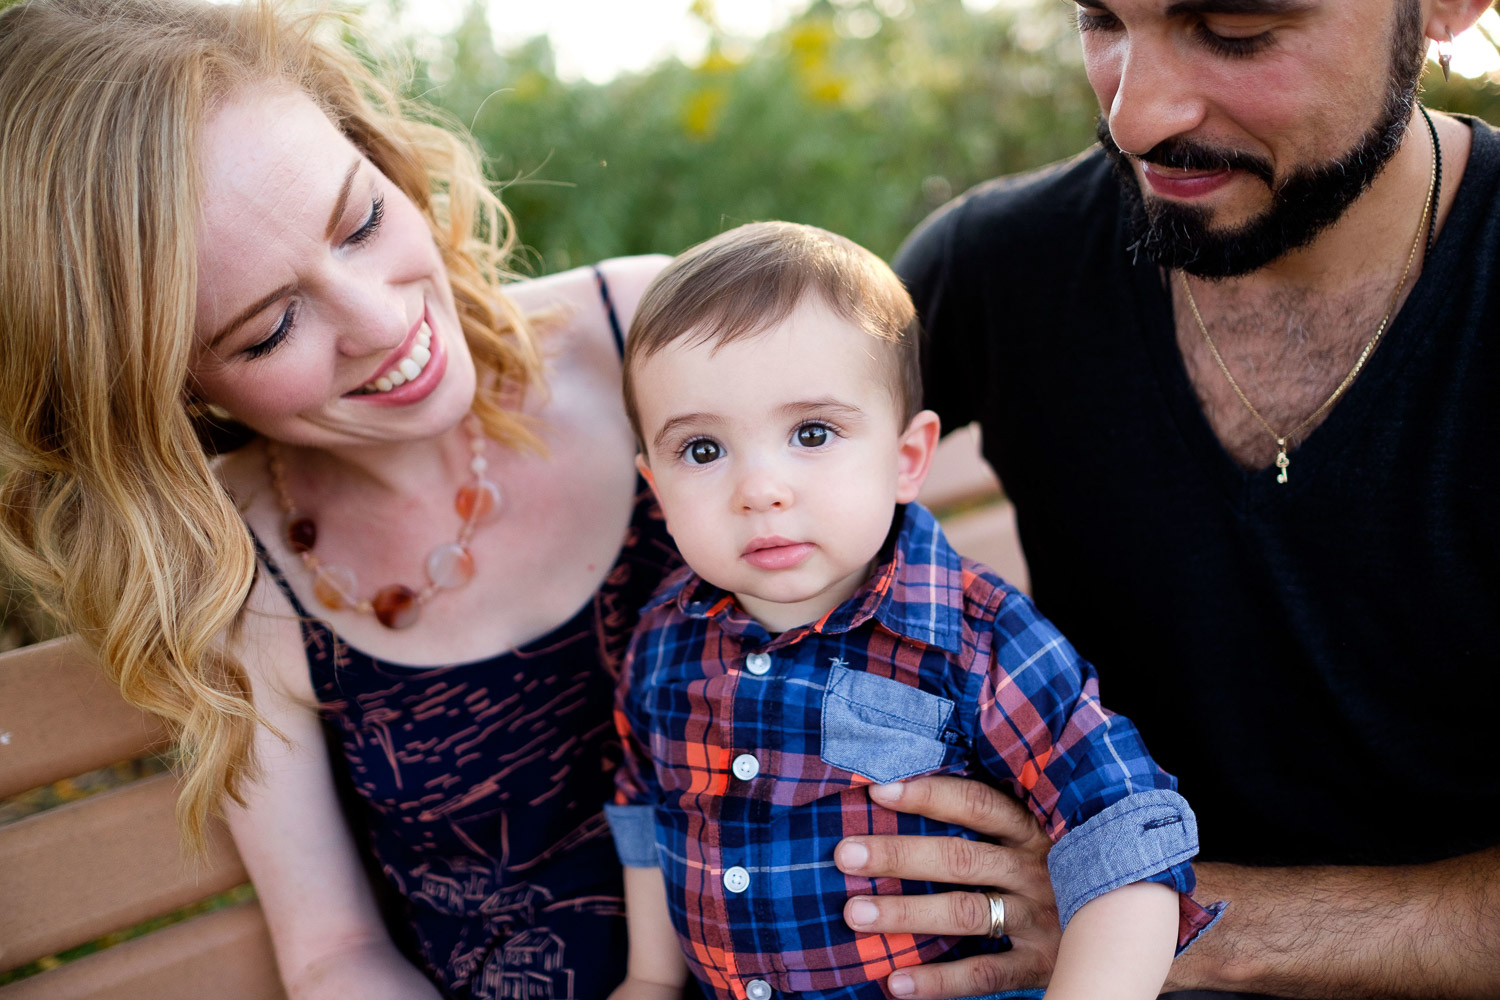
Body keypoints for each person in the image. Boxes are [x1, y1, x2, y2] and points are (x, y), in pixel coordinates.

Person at [0, 2, 677, 998]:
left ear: (374, 151)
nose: (380, 319)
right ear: (172, 389)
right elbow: (335, 955)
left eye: (359, 220)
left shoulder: (646, 343)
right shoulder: (243, 579)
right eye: (269, 329)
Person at [830, 0, 1500, 998]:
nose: (1133, 118)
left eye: (1235, 29)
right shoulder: (1001, 262)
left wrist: (1149, 920)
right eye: (1101, 19)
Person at [604, 221, 1220, 1000]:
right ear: (654, 489)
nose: (759, 488)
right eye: (701, 450)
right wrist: (650, 981)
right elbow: (648, 811)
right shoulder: (663, 641)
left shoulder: (976, 635)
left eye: (812, 432)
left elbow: (1121, 832)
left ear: (907, 460)